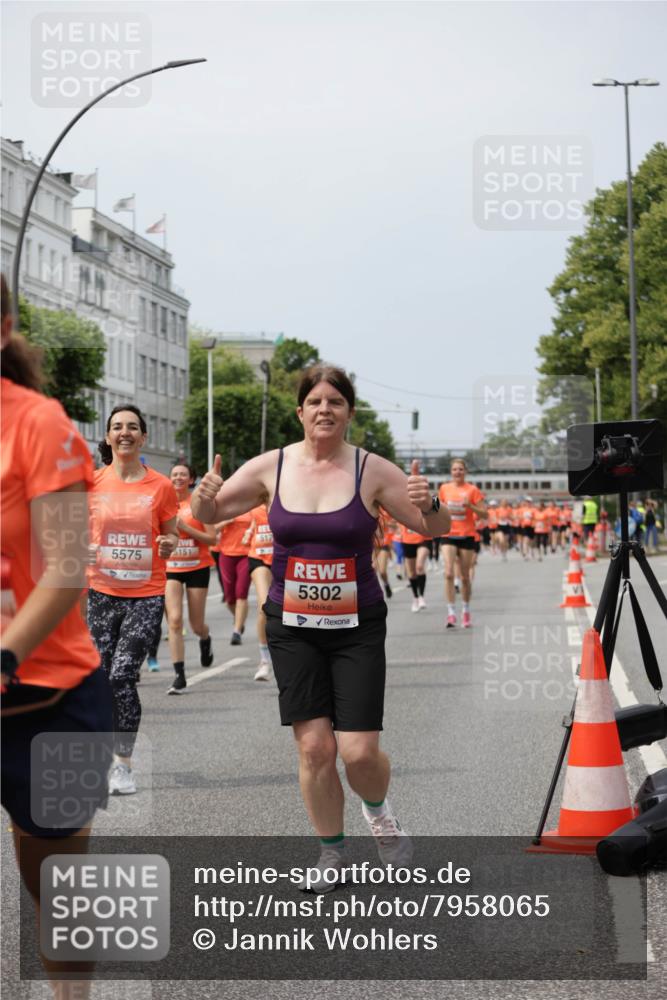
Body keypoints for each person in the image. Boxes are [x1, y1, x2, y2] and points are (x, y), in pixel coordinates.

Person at [191, 364, 451, 888]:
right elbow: (210, 514)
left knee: (357, 752)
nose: (324, 409)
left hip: (356, 626)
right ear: (300, 412)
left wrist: (434, 504)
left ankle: (379, 814)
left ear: (349, 413)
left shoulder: (372, 470)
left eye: (335, 401)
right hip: (292, 624)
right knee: (314, 748)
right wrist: (203, 493)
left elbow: (433, 527)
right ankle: (331, 852)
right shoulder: (272, 466)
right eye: (315, 401)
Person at [1, 274, 113, 997]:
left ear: (3, 325)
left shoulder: (41, 424)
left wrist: (6, 652)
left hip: (51, 698)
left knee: (59, 898)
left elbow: (69, 568)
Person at [87, 405, 179, 791]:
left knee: (123, 675)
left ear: (143, 437)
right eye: (117, 427)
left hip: (146, 595)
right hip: (101, 593)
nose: (124, 432)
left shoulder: (161, 486)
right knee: (102, 679)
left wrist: (168, 542)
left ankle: (123, 764)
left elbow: (172, 536)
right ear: (108, 437)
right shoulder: (91, 484)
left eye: (132, 427)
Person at [164, 462, 216, 693]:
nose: (178, 478)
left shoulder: (199, 503)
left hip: (197, 567)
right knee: (174, 620)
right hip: (171, 569)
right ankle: (179, 674)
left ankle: (205, 638)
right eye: (174, 474)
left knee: (196, 625)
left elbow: (212, 539)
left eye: (183, 475)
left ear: (191, 479)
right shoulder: (163, 504)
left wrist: (185, 527)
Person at [438, 459, 487, 628]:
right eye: (454, 469)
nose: (457, 472)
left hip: (467, 535)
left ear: (465, 471)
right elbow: (438, 508)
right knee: (449, 573)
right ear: (451, 472)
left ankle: (465, 610)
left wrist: (470, 507)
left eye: (460, 469)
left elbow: (485, 515)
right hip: (448, 534)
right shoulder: (444, 488)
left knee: (465, 577)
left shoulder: (472, 490)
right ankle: (451, 613)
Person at [246, 504, 275, 680]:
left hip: (286, 557)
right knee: (264, 606)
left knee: (291, 608)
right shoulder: (254, 494)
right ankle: (265, 660)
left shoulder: (288, 492)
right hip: (259, 557)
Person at [217, 511, 252, 644]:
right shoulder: (227, 507)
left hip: (247, 554)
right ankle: (239, 620)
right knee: (229, 598)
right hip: (227, 554)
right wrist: (226, 521)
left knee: (241, 593)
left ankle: (236, 632)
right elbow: (212, 529)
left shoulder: (254, 507)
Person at [399, 518, 431, 612]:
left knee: (419, 566)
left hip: (424, 538)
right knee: (412, 573)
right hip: (408, 540)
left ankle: (421, 596)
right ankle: (415, 597)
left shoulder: (422, 503)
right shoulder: (402, 504)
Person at [373, 508, 395, 600]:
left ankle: (386, 584)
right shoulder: (367, 509)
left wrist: (389, 525)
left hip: (383, 544)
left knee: (382, 571)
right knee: (372, 569)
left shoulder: (385, 511)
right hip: (372, 545)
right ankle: (375, 591)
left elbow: (395, 524)